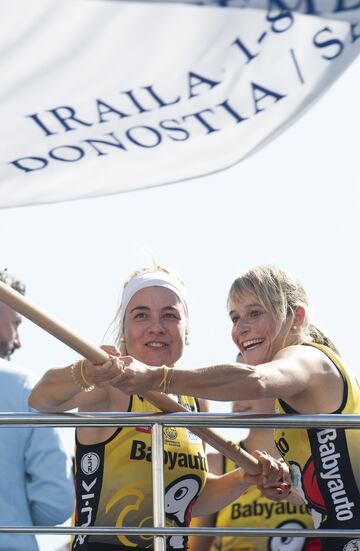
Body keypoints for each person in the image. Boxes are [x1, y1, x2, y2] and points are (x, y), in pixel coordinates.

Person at [29, 265, 289, 551]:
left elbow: (193, 497)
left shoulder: (195, 401)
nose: (157, 327)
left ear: (186, 331)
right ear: (125, 331)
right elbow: (41, 398)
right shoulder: (109, 386)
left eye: (169, 315)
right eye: (141, 315)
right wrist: (85, 373)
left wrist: (242, 478)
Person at [112, 265, 360, 551]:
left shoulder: (306, 357)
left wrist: (159, 377)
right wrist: (284, 485)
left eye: (255, 313)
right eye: (235, 317)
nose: (241, 329)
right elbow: (333, 488)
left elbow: (255, 381)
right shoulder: (293, 396)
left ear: (296, 317)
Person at [0, 268, 75, 551]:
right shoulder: (26, 388)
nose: (18, 340)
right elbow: (56, 503)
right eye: (16, 323)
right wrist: (13, 507)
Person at [189, 394, 319, 551]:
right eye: (233, 388)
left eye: (248, 388)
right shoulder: (217, 463)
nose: (238, 397)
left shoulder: (317, 459)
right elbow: (196, 543)